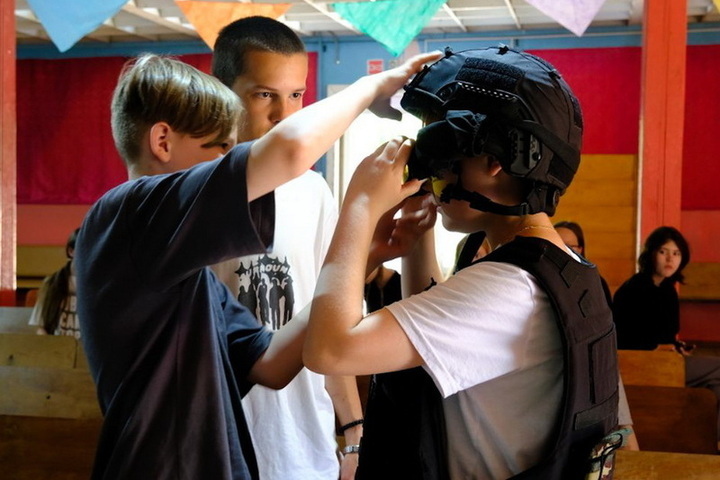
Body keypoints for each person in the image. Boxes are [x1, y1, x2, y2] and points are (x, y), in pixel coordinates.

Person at [74, 51, 439, 480]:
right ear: (162, 141)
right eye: (219, 148)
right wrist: (371, 87)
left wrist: (365, 257)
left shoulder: (189, 276)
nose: (228, 160)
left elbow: (271, 363)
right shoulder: (129, 214)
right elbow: (289, 151)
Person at [305, 46, 620, 479]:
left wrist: (359, 205)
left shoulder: (509, 288)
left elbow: (329, 350)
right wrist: (419, 234)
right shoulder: (555, 269)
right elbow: (432, 343)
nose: (431, 171)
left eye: (442, 152)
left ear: (494, 161)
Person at [211, 17, 364, 480]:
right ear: (223, 93)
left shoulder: (314, 191)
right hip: (219, 444)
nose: (284, 114)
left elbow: (329, 323)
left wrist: (353, 432)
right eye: (264, 95)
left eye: (296, 95)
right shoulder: (197, 192)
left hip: (304, 447)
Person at [613, 226, 720, 441]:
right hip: (641, 364)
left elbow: (667, 335)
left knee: (715, 385)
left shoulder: (668, 289)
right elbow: (623, 337)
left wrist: (677, 347)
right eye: (663, 251)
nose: (670, 259)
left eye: (676, 253)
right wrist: (656, 347)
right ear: (651, 253)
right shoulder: (634, 288)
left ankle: (710, 441)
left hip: (665, 362)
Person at [29, 228, 80, 338]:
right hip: (57, 346)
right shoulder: (52, 283)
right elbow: (41, 327)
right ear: (71, 251)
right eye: (84, 249)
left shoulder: (100, 286)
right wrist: (51, 345)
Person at [554, 220, 612, 304]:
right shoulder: (539, 278)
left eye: (568, 246)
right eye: (555, 244)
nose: (561, 250)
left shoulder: (594, 281)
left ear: (580, 249)